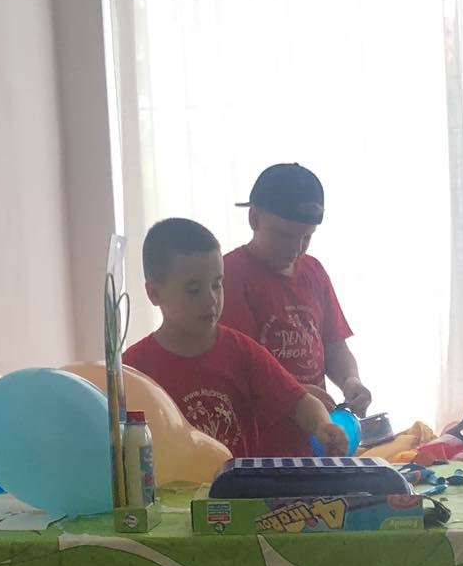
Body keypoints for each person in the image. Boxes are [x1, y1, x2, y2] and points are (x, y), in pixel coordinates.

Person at [124, 218, 348, 459]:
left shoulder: (241, 351)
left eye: (217, 285)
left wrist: (323, 425)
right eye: (194, 290)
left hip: (239, 483)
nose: (211, 299)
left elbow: (301, 403)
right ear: (154, 293)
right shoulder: (132, 369)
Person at [223, 164, 371, 456]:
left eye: (306, 237)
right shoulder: (229, 275)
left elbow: (335, 346)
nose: (296, 248)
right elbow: (238, 370)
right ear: (254, 218)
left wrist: (351, 380)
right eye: (284, 235)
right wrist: (296, 396)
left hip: (315, 442)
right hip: (259, 447)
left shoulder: (314, 271)